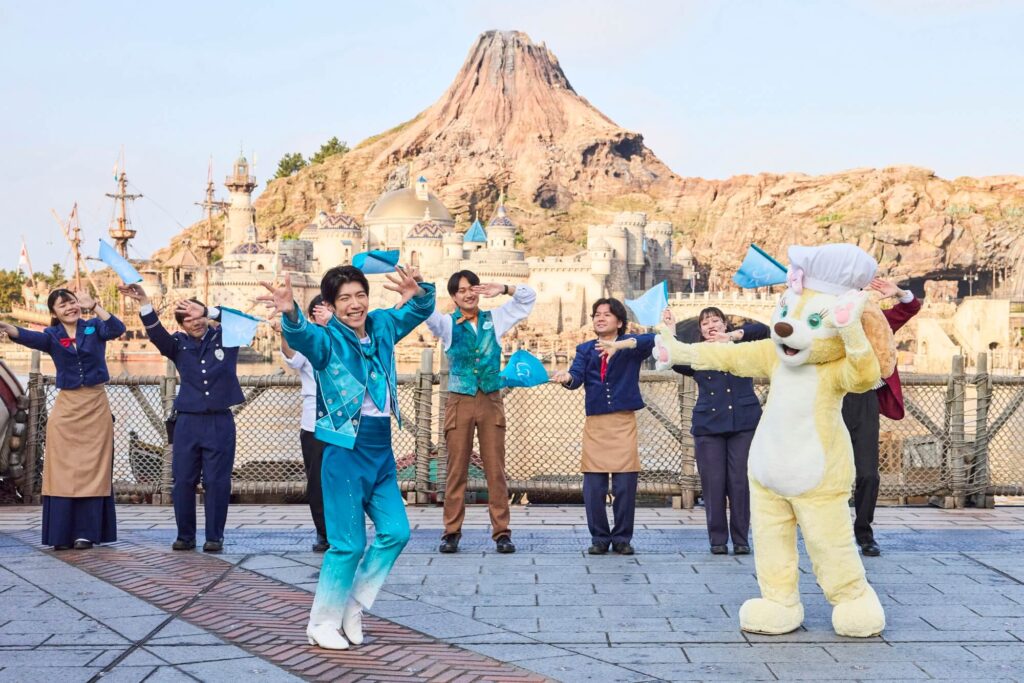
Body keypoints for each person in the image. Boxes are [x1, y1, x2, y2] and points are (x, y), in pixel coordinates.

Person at [259, 265, 434, 651]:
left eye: (360, 295)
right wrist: (291, 312)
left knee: (396, 532)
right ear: (332, 305)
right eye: (344, 299)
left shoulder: (383, 324)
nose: (355, 304)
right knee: (348, 544)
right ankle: (321, 623)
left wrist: (419, 291)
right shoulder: (327, 340)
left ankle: (353, 604)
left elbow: (421, 310)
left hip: (381, 449)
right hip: (343, 450)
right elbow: (301, 335)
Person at [118, 284, 244, 553]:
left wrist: (210, 310)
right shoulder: (177, 344)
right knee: (183, 480)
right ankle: (185, 536)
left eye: (198, 316)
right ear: (182, 325)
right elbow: (156, 333)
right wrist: (144, 302)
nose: (195, 322)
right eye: (188, 319)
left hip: (219, 421)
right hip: (187, 422)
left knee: (216, 481)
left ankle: (214, 536)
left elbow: (243, 321)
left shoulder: (226, 336)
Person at [0, 288, 125, 550]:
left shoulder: (94, 327)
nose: (69, 308)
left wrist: (95, 305)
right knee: (62, 469)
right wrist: (7, 327)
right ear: (54, 313)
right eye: (62, 305)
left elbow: (116, 328)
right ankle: (61, 533)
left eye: (72, 302)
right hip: (66, 408)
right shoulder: (52, 335)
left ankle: (86, 533)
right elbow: (27, 336)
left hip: (96, 404)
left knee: (94, 468)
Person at [426, 270, 536, 554]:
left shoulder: (495, 319)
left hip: (490, 399)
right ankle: (451, 532)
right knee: (456, 469)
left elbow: (528, 299)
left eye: (471, 288)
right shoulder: (446, 325)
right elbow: (426, 312)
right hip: (460, 400)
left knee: (495, 469)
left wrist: (505, 287)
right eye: (461, 290)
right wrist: (418, 288)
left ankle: (502, 533)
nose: (468, 294)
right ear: (453, 297)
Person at [550, 298, 655, 555]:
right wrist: (567, 377)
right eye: (597, 314)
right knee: (594, 487)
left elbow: (652, 340)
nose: (600, 318)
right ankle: (599, 537)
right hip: (596, 424)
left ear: (619, 322)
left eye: (607, 314)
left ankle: (622, 538)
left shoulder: (630, 346)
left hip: (623, 422)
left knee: (625, 485)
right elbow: (576, 377)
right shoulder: (585, 349)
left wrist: (618, 345)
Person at [666, 306, 769, 555]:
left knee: (740, 482)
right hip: (709, 425)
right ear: (701, 330)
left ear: (725, 324)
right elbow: (674, 358)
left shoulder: (743, 347)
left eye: (715, 320)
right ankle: (718, 539)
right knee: (713, 483)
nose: (711, 325)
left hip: (743, 422)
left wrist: (731, 337)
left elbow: (764, 330)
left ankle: (741, 539)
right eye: (705, 323)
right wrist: (670, 330)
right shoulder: (697, 353)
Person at [843, 278, 921, 557]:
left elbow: (910, 308)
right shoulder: (825, 320)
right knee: (828, 471)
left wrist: (898, 292)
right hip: (830, 398)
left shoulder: (876, 321)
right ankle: (831, 532)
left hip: (865, 399)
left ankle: (864, 532)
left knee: (868, 473)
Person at [277, 295, 334, 552]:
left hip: (347, 421)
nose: (325, 314)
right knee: (317, 480)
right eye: (320, 311)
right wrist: (284, 331)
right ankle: (323, 532)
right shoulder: (307, 340)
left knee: (345, 478)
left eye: (330, 309)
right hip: (314, 421)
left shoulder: (349, 339)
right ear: (310, 317)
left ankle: (347, 528)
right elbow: (293, 358)